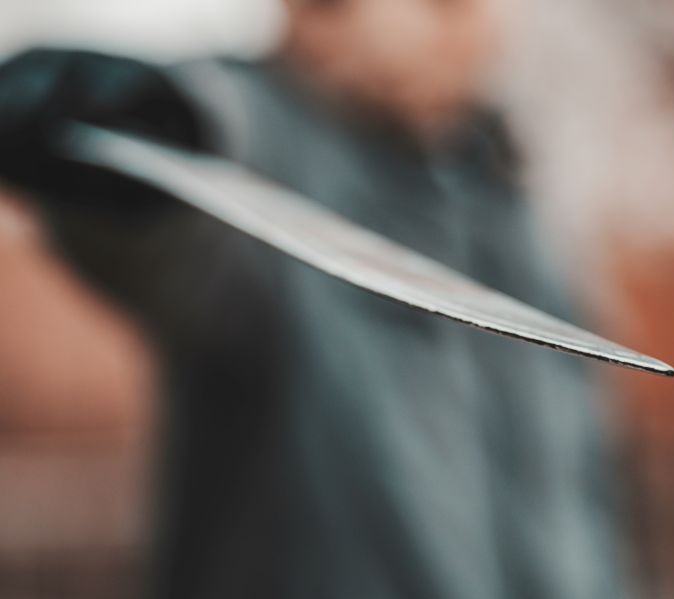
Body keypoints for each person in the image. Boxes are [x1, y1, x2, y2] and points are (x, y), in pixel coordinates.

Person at [0, 0, 623, 597]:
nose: (468, 28)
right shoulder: (254, 139)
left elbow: (587, 497)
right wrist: (124, 123)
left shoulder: (513, 196)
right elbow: (164, 215)